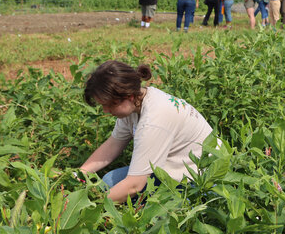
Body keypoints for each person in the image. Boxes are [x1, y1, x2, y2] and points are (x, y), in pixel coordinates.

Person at [79, 60, 214, 203]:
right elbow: (113, 145)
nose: (105, 111)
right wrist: (79, 174)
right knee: (109, 181)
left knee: (153, 213)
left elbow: (134, 186)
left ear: (128, 96)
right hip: (173, 166)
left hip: (201, 179)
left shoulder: (154, 120)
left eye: (108, 105)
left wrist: (89, 205)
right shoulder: (136, 102)